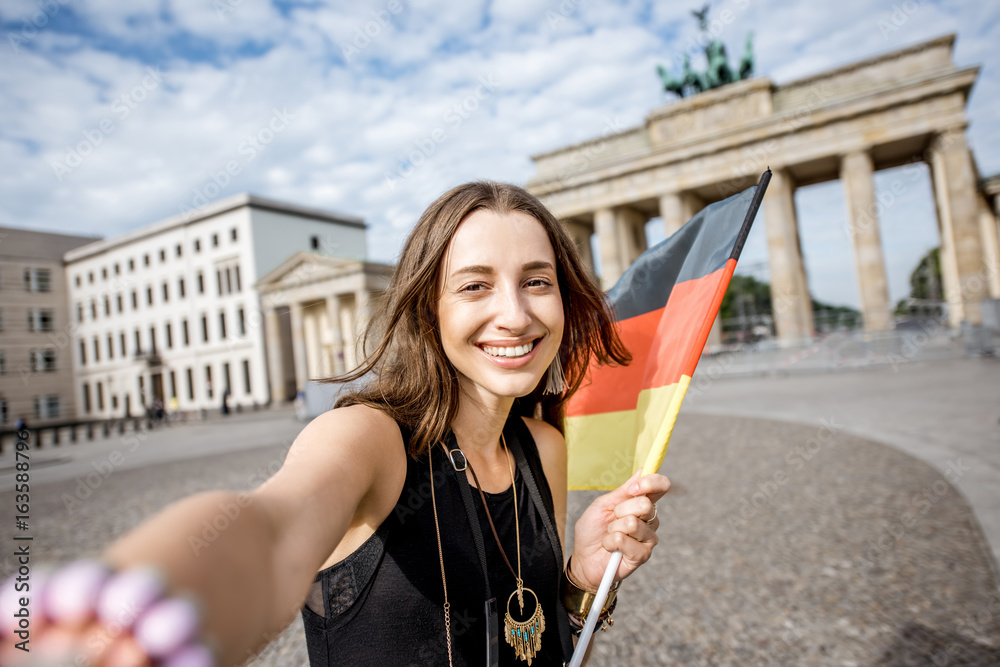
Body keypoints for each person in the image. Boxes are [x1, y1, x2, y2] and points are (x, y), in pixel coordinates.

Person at [0, 182, 670, 666]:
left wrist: (583, 575)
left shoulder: (542, 447)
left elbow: (541, 638)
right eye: (474, 285)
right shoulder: (368, 439)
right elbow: (268, 529)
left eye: (536, 280)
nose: (515, 313)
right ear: (427, 308)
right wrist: (117, 620)